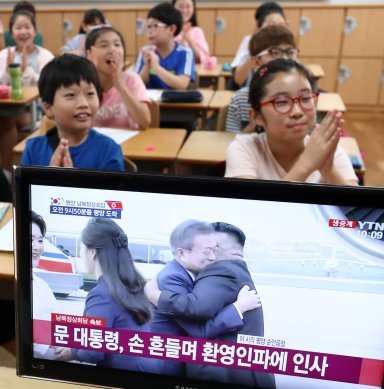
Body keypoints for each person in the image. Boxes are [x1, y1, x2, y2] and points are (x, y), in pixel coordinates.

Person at [146, 222, 275, 388]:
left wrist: (153, 294)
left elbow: (193, 309)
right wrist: (238, 307)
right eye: (207, 250)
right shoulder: (237, 270)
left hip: (226, 372)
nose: (212, 256)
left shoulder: (221, 270)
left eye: (214, 248)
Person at [225, 59, 359, 186]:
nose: (297, 112)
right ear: (256, 116)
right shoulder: (244, 148)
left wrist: (328, 170)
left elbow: (356, 208)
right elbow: (251, 209)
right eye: (282, 102)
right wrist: (306, 164)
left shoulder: (324, 147)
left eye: (306, 98)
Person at [54, 218, 155, 372]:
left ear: (92, 252)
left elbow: (92, 352)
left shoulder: (101, 295)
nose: (81, 254)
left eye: (81, 248)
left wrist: (74, 351)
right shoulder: (136, 285)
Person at [20, 54, 124, 171]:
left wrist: (70, 181)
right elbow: (23, 189)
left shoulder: (108, 150)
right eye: (70, 95)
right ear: (49, 108)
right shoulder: (33, 150)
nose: (83, 103)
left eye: (90, 94)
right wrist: (49, 179)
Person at [0, 211, 58, 356]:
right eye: (30, 240)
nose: (36, 247)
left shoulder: (43, 286)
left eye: (40, 240)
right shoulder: (7, 293)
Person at [0, 10, 54, 171]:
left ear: (35, 31)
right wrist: (7, 70)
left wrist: (26, 70)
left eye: (27, 27)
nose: (23, 32)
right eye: (18, 28)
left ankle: (7, 171)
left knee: (6, 119)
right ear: (11, 33)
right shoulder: (5, 54)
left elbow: (49, 85)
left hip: (36, 109)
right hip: (5, 106)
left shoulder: (44, 55)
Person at [226, 25, 298, 133]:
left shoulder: (303, 98)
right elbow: (231, 144)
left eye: (290, 52)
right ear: (256, 62)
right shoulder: (241, 100)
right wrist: (251, 128)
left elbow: (309, 142)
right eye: (275, 52)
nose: (285, 59)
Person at [85, 27, 151, 130]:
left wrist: (122, 87)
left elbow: (145, 122)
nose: (112, 50)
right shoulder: (82, 82)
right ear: (89, 54)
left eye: (117, 44)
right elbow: (76, 126)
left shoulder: (132, 79)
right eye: (104, 45)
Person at [135, 2, 195, 90]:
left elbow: (182, 84)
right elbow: (137, 85)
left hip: (175, 103)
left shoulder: (185, 52)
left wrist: (156, 67)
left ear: (171, 29)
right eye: (149, 26)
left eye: (155, 26)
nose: (150, 31)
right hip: (150, 102)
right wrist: (146, 66)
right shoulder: (146, 51)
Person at [230, 2, 287, 90]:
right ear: (259, 27)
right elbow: (238, 80)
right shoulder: (250, 42)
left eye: (281, 25)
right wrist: (255, 50)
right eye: (271, 24)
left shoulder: (288, 47)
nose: (276, 29)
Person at [171, 0, 210, 65]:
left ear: (193, 9)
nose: (184, 10)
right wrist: (181, 40)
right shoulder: (168, 31)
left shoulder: (197, 31)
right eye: (180, 7)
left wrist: (189, 39)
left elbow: (200, 59)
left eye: (188, 7)